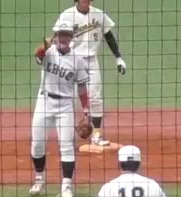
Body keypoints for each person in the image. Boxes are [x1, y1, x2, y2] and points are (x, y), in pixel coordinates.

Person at [38, 0, 128, 148]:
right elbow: (56, 37)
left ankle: (97, 135)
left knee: (95, 98)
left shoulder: (99, 15)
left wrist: (118, 57)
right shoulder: (67, 15)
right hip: (70, 60)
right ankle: (66, 137)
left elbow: (109, 36)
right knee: (67, 98)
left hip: (91, 61)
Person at [29, 20, 92, 197]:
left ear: (71, 38)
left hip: (65, 105)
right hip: (44, 101)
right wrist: (46, 44)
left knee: (66, 146)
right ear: (56, 36)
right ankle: (39, 180)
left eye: (67, 35)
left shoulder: (77, 59)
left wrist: (86, 111)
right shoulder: (48, 52)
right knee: (37, 144)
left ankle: (66, 186)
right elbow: (38, 55)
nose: (63, 38)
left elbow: (82, 87)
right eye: (60, 35)